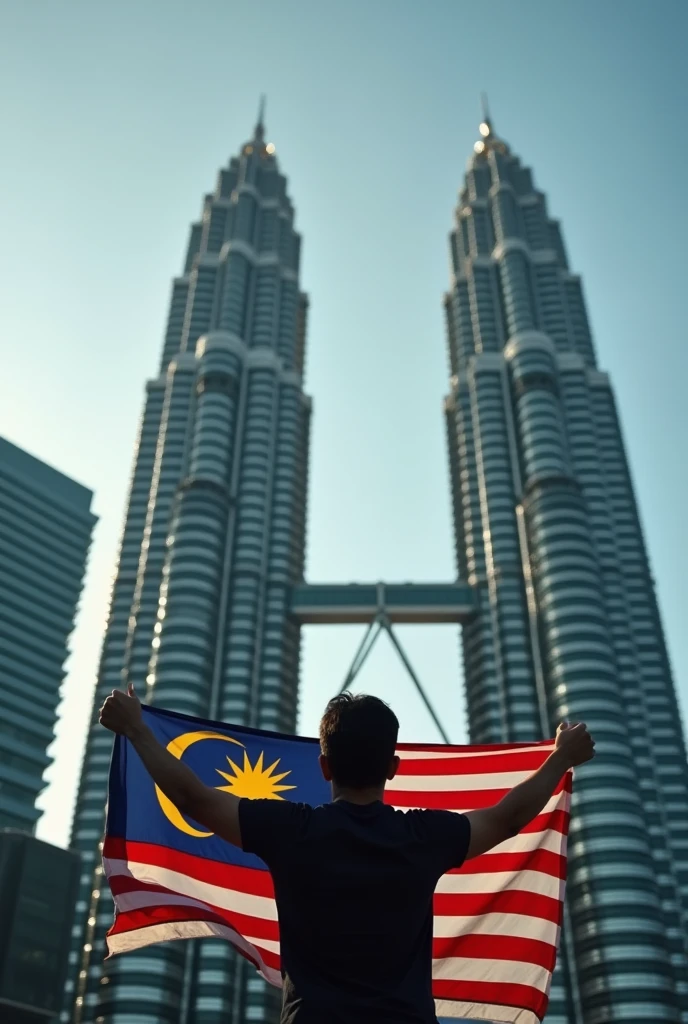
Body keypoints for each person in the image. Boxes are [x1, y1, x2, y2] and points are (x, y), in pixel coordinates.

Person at [100, 686, 594, 1024]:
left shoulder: (291, 830)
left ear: (323, 765)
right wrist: (561, 757)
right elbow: (506, 818)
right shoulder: (423, 836)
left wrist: (137, 729)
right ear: (395, 767)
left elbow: (195, 800)